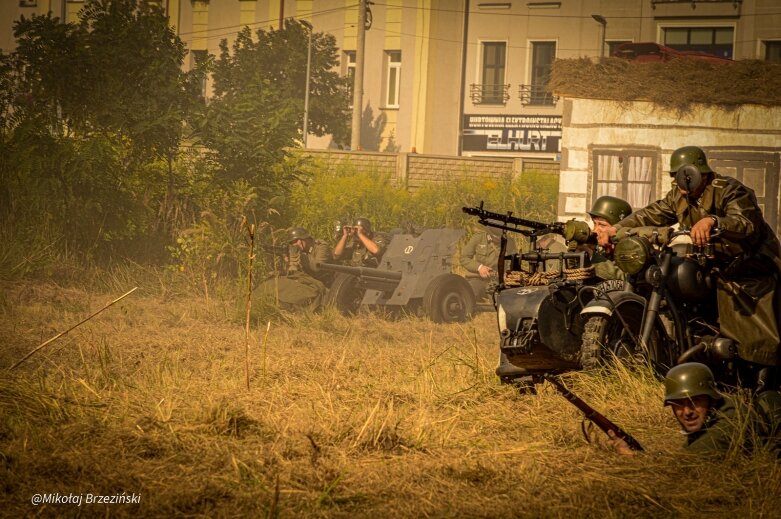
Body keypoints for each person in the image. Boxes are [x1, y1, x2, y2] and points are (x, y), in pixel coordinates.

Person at [596, 146, 781, 367]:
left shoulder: (730, 190)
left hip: (751, 268)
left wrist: (713, 220)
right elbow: (650, 214)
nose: (678, 183)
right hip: (716, 266)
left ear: (698, 173)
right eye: (674, 177)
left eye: (681, 177)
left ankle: (760, 378)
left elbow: (745, 223)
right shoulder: (678, 196)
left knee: (756, 338)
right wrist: (615, 229)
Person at [608, 362, 781, 457]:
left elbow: (685, 462)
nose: (687, 412)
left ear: (711, 400)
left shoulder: (729, 423)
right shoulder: (714, 413)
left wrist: (634, 457)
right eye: (678, 404)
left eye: (694, 401)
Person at [257, 227, 334, 311]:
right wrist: (289, 260)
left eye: (296, 241)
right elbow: (295, 273)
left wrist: (301, 255)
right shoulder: (300, 251)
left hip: (327, 284)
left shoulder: (321, 247)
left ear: (305, 238)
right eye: (292, 243)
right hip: (309, 282)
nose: (294, 245)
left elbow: (317, 267)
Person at [459, 225, 517, 298]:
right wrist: (479, 268)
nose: (499, 239)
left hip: (499, 280)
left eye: (501, 236)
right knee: (469, 296)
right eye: (497, 237)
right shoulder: (478, 238)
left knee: (502, 301)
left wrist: (507, 274)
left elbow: (514, 263)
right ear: (490, 234)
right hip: (478, 278)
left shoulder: (510, 242)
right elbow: (464, 258)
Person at [587, 195, 632, 280]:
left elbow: (626, 278)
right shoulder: (602, 251)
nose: (595, 230)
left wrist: (591, 256)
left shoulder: (632, 252)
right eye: (594, 224)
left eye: (602, 225)